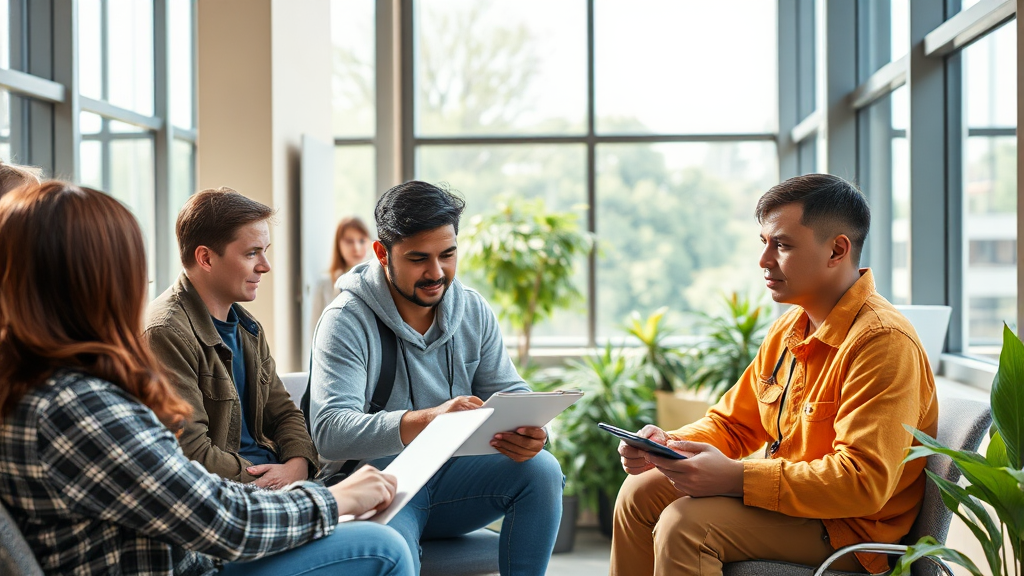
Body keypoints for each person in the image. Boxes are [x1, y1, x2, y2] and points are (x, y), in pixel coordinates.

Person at [0, 181, 414, 575]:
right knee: (382, 548)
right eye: (131, 270)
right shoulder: (76, 405)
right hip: (202, 555)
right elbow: (217, 517)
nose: (143, 285)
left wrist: (302, 478)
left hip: (218, 529)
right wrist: (330, 500)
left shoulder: (45, 386)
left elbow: (207, 483)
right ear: (93, 285)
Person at [610, 174, 938, 576]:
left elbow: (861, 483)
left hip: (849, 531)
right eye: (764, 242)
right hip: (793, 506)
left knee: (687, 526)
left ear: (837, 250)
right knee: (639, 490)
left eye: (781, 245)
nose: (764, 260)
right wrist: (667, 445)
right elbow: (732, 425)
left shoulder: (883, 342)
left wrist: (737, 478)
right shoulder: (789, 329)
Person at [308, 181, 564, 575]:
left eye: (448, 254)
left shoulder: (473, 310)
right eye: (418, 258)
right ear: (382, 253)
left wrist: (536, 432)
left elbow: (510, 390)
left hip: (454, 480)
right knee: (392, 549)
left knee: (542, 470)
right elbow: (331, 432)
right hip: (381, 483)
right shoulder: (345, 321)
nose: (436, 272)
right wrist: (429, 420)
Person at [145, 187, 318, 487]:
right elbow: (191, 453)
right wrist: (275, 482)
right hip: (237, 494)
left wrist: (297, 465)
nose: (265, 266)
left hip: (280, 482)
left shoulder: (247, 327)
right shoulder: (166, 332)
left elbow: (284, 414)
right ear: (206, 258)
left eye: (265, 251)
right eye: (252, 253)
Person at [310, 216, 372, 337]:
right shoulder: (325, 284)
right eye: (349, 241)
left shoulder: (377, 283)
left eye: (362, 241)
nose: (356, 248)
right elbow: (315, 331)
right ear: (339, 244)